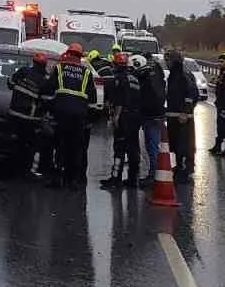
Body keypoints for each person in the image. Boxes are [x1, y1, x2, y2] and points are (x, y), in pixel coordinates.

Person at [7, 52, 56, 176]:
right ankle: (28, 170)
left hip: (14, 114)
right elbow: (47, 101)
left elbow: (10, 83)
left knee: (16, 143)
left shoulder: (23, 71)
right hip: (30, 118)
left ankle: (13, 168)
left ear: (33, 63)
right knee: (31, 145)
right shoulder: (44, 81)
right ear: (44, 65)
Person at [50, 44, 93, 188]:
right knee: (76, 147)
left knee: (60, 145)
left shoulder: (59, 68)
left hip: (61, 113)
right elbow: (92, 99)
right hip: (79, 116)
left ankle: (58, 177)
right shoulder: (86, 72)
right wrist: (90, 119)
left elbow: (50, 90)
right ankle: (73, 180)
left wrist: (49, 110)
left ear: (68, 54)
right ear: (80, 57)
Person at [99, 51, 141, 189]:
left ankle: (115, 178)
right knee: (134, 148)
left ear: (115, 65)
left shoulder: (119, 79)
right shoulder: (134, 78)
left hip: (124, 117)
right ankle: (133, 179)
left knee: (119, 148)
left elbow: (120, 100)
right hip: (136, 117)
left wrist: (116, 116)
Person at [133, 55, 166, 189]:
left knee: (152, 145)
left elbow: (144, 96)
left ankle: (154, 175)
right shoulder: (157, 73)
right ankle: (155, 174)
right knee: (152, 144)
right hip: (157, 113)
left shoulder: (146, 76)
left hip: (151, 115)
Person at [164, 50, 197, 182]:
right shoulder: (173, 75)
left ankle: (186, 168)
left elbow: (191, 95)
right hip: (173, 115)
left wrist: (185, 111)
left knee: (184, 144)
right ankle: (179, 165)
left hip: (183, 118)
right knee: (176, 144)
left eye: (168, 60)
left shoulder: (184, 76)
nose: (166, 63)